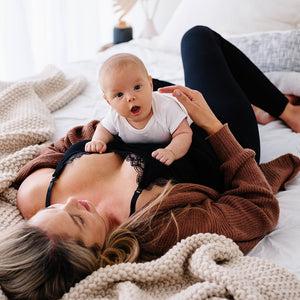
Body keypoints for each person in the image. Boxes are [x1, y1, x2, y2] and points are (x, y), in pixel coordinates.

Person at [1, 25, 300, 300]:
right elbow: (257, 210)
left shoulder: (36, 193)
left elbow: (74, 139)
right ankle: (287, 112)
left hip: (157, 116)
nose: (71, 202)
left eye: (53, 209)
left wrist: (108, 131)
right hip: (217, 133)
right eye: (77, 219)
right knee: (198, 38)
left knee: (130, 78)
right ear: (95, 255)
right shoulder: (157, 227)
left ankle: (254, 104)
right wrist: (211, 124)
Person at [85, 53, 193, 166]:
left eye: (137, 87)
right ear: (108, 102)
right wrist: (98, 141)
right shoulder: (115, 115)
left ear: (151, 84)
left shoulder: (167, 108)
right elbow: (104, 129)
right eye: (119, 95)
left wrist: (171, 151)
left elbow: (184, 133)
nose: (130, 98)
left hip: (183, 104)